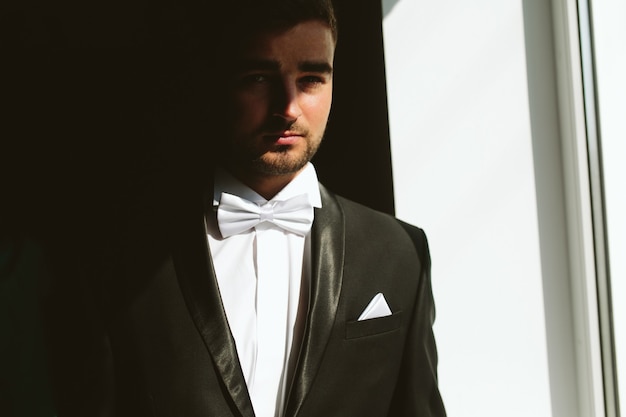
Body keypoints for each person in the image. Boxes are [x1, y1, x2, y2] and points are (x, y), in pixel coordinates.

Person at [80, 1, 447, 416]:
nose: (288, 107)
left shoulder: (399, 253)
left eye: (310, 79)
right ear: (217, 80)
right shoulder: (127, 257)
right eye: (258, 77)